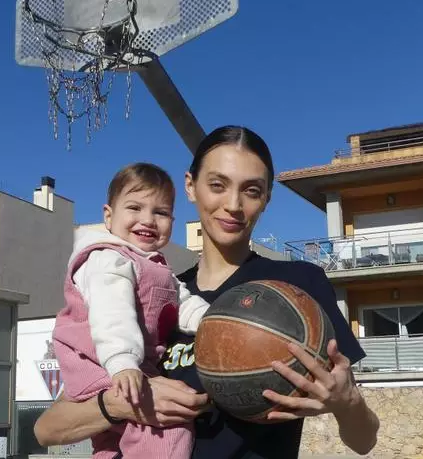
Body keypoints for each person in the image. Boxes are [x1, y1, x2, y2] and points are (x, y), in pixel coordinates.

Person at [36, 126, 380, 458]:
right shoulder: (152, 292)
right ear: (191, 186)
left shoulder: (296, 287)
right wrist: (120, 403)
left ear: (266, 199)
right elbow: (47, 429)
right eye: (217, 185)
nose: (233, 204)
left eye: (251, 190)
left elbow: (363, 440)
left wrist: (346, 402)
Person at [53, 163, 210, 458]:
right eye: (135, 208)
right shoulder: (108, 259)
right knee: (168, 427)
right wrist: (123, 362)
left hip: (122, 364)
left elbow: (183, 304)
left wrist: (213, 321)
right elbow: (112, 314)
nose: (148, 220)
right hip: (98, 361)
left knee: (111, 440)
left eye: (160, 212)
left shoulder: (154, 266)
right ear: (109, 216)